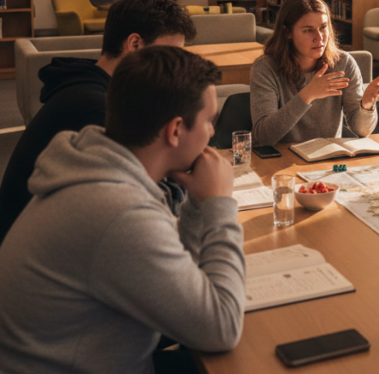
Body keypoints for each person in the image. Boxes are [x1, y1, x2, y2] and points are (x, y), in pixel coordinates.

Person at [0, 47, 245, 373]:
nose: (212, 133)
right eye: (209, 121)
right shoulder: (117, 212)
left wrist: (199, 203)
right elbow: (221, 328)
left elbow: (175, 275)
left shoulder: (102, 168)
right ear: (174, 130)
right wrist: (219, 205)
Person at [0, 0, 196, 243]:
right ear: (134, 44)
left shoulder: (97, 90)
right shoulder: (96, 109)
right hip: (37, 260)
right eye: (170, 56)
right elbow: (148, 209)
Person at [250, 0, 379, 145]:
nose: (319, 37)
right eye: (308, 30)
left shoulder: (343, 63)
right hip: (282, 161)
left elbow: (362, 131)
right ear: (287, 32)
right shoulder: (265, 68)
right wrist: (307, 95)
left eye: (323, 27)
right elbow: (262, 137)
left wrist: (366, 105)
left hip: (328, 159)